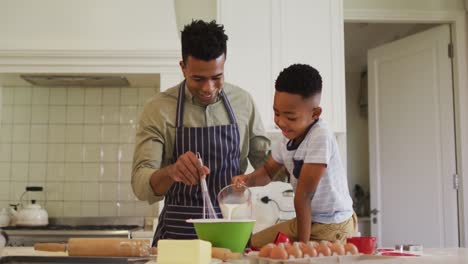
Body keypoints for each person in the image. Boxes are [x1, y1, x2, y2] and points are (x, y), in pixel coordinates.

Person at [131, 20, 270, 246]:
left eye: (217, 77)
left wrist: (297, 151)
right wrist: (171, 172)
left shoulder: (243, 102)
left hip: (231, 236)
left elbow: (269, 165)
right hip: (177, 238)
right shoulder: (158, 109)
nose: (208, 88)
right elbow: (140, 184)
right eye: (198, 78)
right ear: (183, 67)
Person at [232, 64, 356, 247]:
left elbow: (304, 195)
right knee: (253, 245)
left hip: (332, 225)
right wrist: (247, 180)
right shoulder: (287, 138)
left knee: (297, 256)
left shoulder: (320, 136)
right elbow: (267, 171)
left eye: (290, 117)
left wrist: (303, 248)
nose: (281, 122)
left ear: (315, 113)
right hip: (308, 220)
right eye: (276, 113)